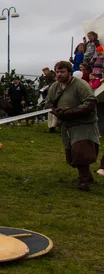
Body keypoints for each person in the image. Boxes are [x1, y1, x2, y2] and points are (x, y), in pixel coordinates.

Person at [47, 61, 99, 191]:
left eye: (62, 72)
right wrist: (55, 110)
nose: (59, 74)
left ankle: (84, 180)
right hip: (67, 124)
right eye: (57, 72)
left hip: (84, 123)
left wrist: (71, 112)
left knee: (81, 150)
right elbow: (48, 103)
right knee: (72, 154)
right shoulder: (55, 87)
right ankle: (88, 176)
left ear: (69, 72)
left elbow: (90, 102)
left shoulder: (81, 85)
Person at [42, 67, 58, 133]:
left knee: (54, 112)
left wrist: (48, 86)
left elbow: (54, 83)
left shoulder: (52, 75)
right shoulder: (46, 77)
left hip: (54, 95)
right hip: (49, 95)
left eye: (45, 71)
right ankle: (50, 126)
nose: (45, 73)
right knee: (50, 112)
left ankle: (53, 126)